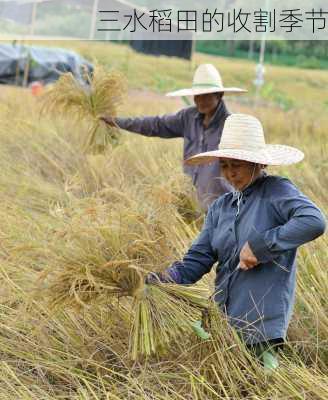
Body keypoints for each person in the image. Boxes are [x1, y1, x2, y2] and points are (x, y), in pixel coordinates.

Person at [148, 113, 326, 369]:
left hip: (261, 325)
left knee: (265, 384)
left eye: (238, 164)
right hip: (224, 320)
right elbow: (199, 258)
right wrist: (167, 278)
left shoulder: (276, 191)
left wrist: (262, 246)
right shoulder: (221, 207)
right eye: (224, 165)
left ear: (258, 164)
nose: (230, 173)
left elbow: (314, 221)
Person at [102, 64, 246, 209]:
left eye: (206, 95)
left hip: (221, 209)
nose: (200, 100)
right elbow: (155, 125)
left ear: (219, 95)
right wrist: (118, 122)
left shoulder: (232, 126)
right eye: (197, 95)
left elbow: (249, 167)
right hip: (189, 207)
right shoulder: (188, 117)